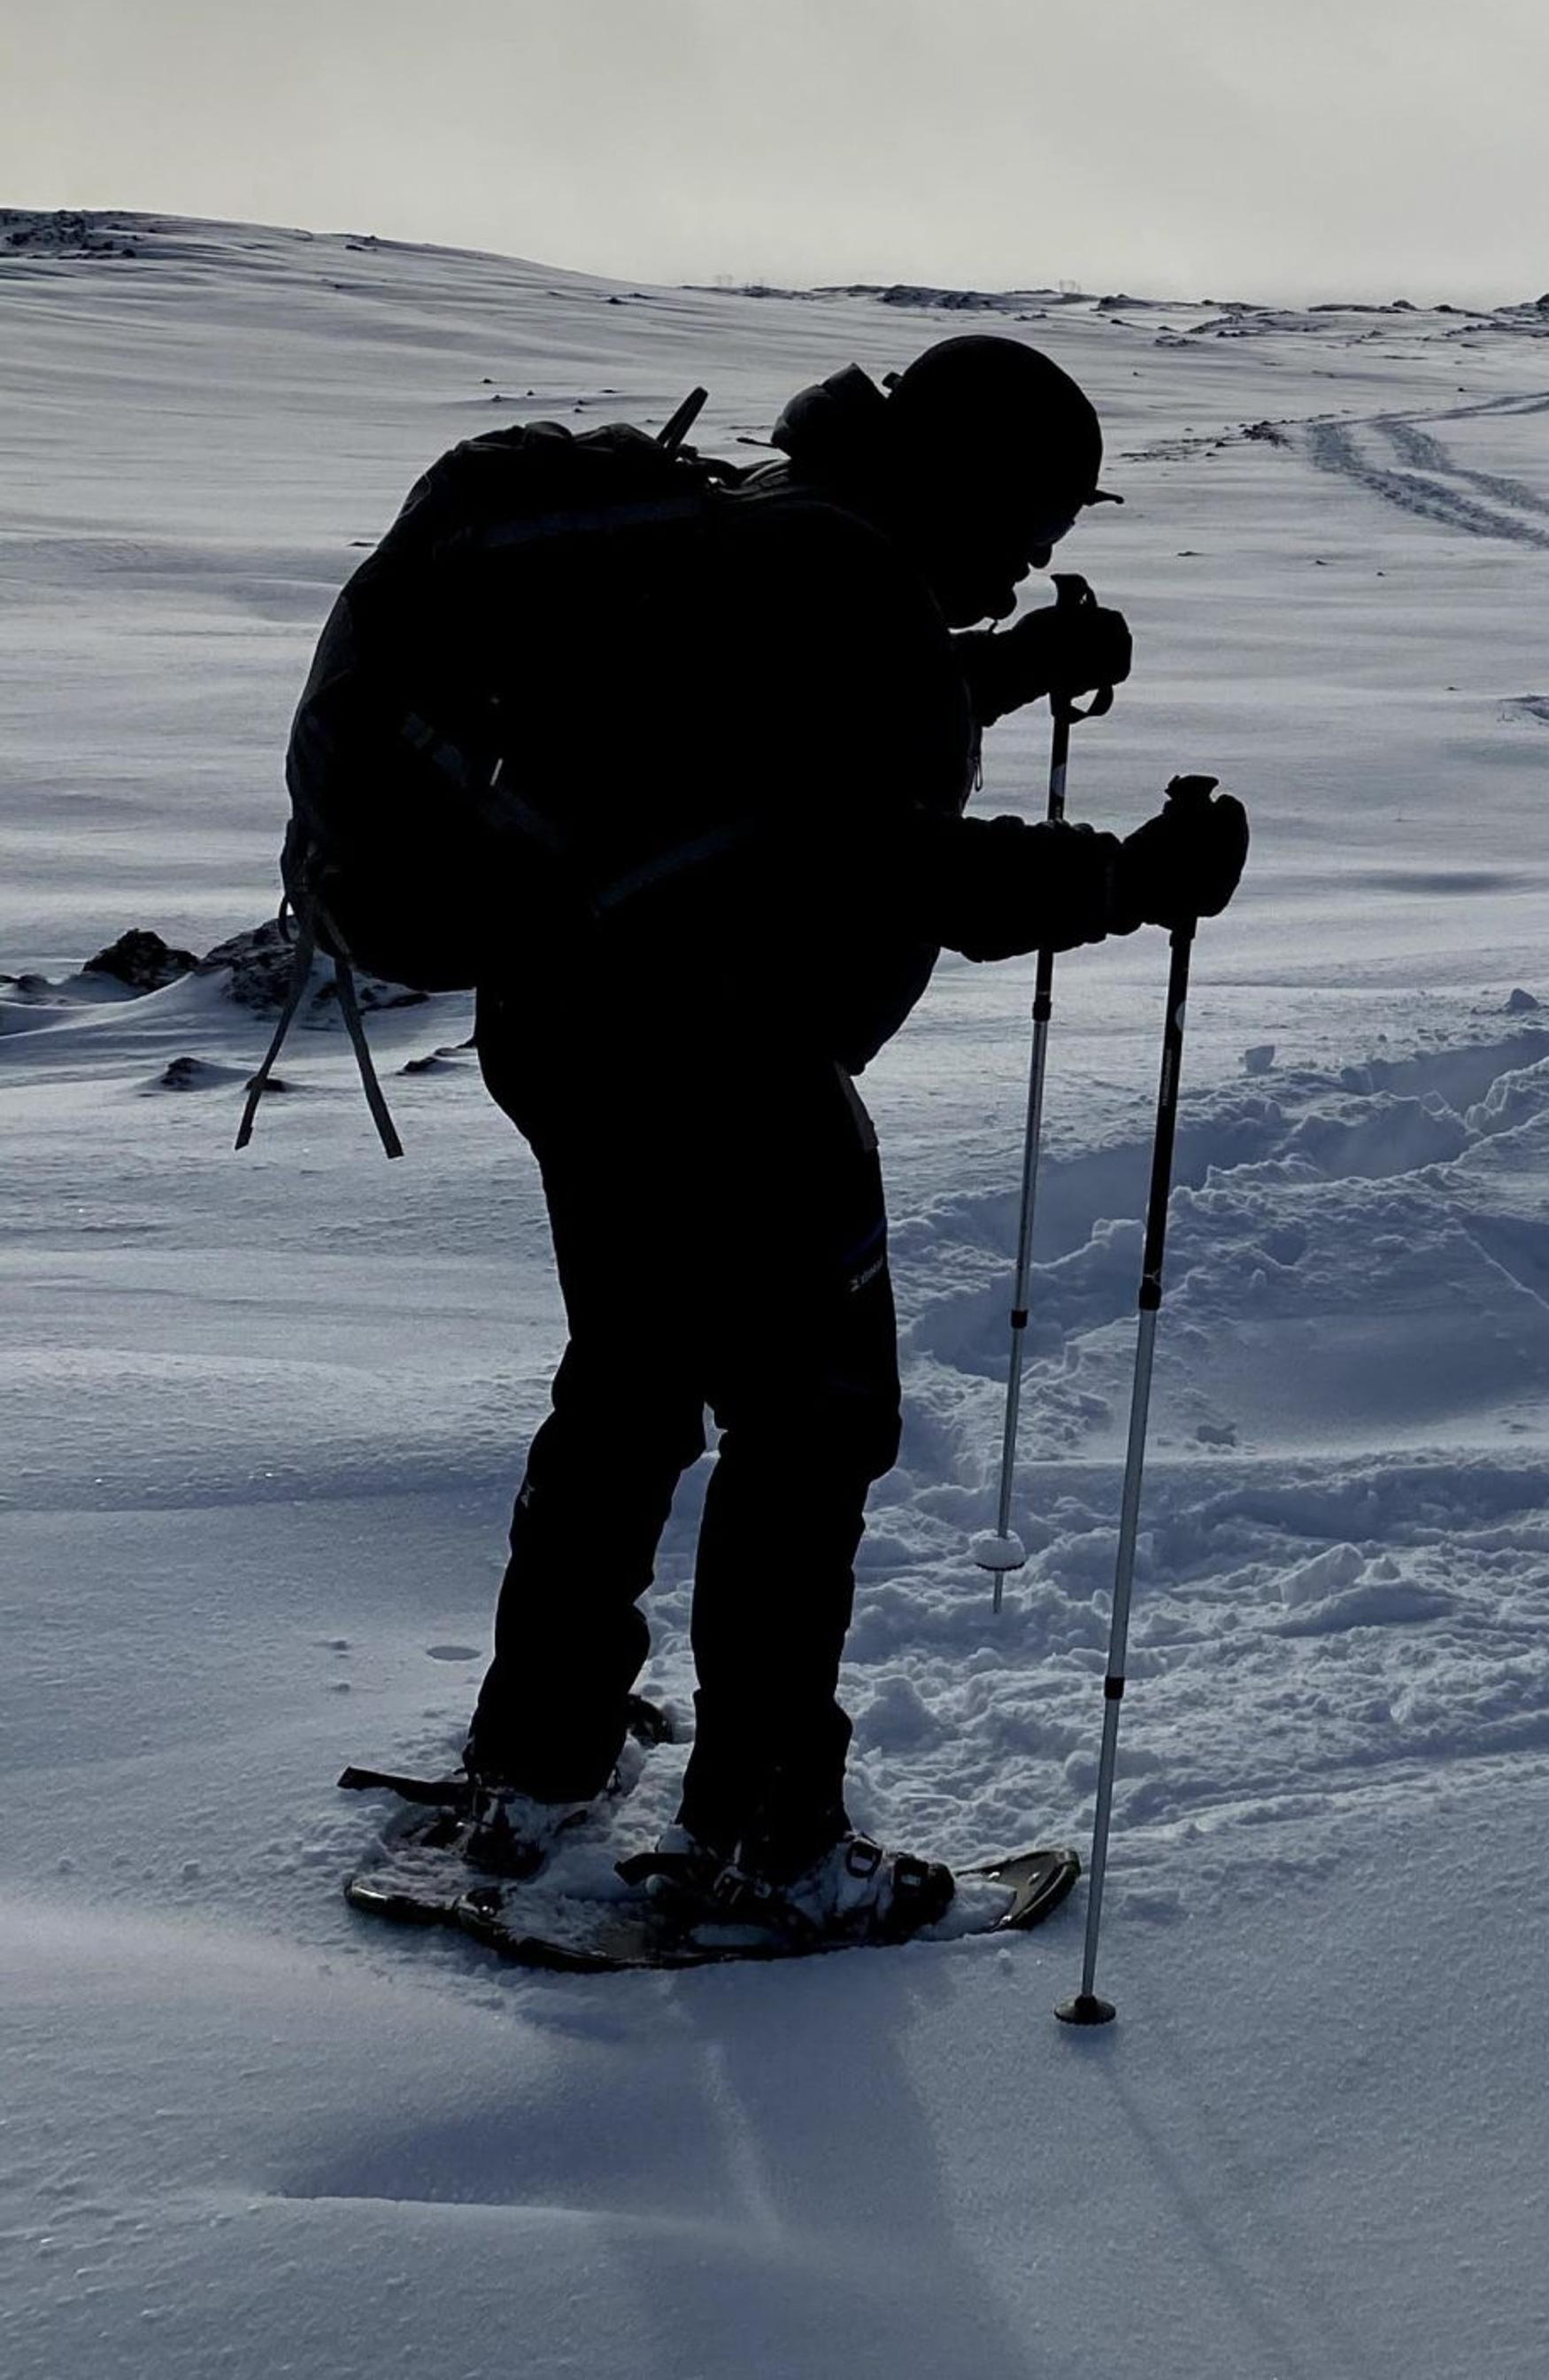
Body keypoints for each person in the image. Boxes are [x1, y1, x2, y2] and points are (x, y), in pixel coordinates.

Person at [451, 334, 1250, 1937]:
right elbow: (887, 867)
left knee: (627, 1389)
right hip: (728, 1059)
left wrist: (1015, 663)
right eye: (1032, 527)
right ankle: (769, 1838)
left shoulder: (768, 526)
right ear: (966, 482)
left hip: (569, 1021)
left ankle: (532, 1766)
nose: (1032, 558)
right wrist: (1133, 881)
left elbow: (769, 742)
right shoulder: (846, 580)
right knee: (808, 1433)